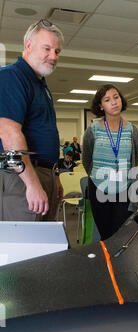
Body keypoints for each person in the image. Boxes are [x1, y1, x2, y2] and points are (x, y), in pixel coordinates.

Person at [0, 19, 64, 221]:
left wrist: (54, 177)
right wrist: (32, 184)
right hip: (22, 177)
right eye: (47, 48)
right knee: (28, 248)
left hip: (43, 173)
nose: (53, 56)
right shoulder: (12, 77)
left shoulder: (41, 84)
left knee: (45, 246)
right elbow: (8, 132)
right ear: (28, 45)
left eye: (57, 51)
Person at [82, 84, 138, 241]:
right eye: (107, 100)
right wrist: (98, 177)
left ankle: (120, 264)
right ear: (101, 106)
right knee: (105, 233)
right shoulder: (93, 130)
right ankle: (108, 264)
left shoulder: (132, 130)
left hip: (124, 188)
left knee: (121, 232)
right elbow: (86, 159)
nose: (114, 102)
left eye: (116, 97)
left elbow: (134, 161)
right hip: (99, 186)